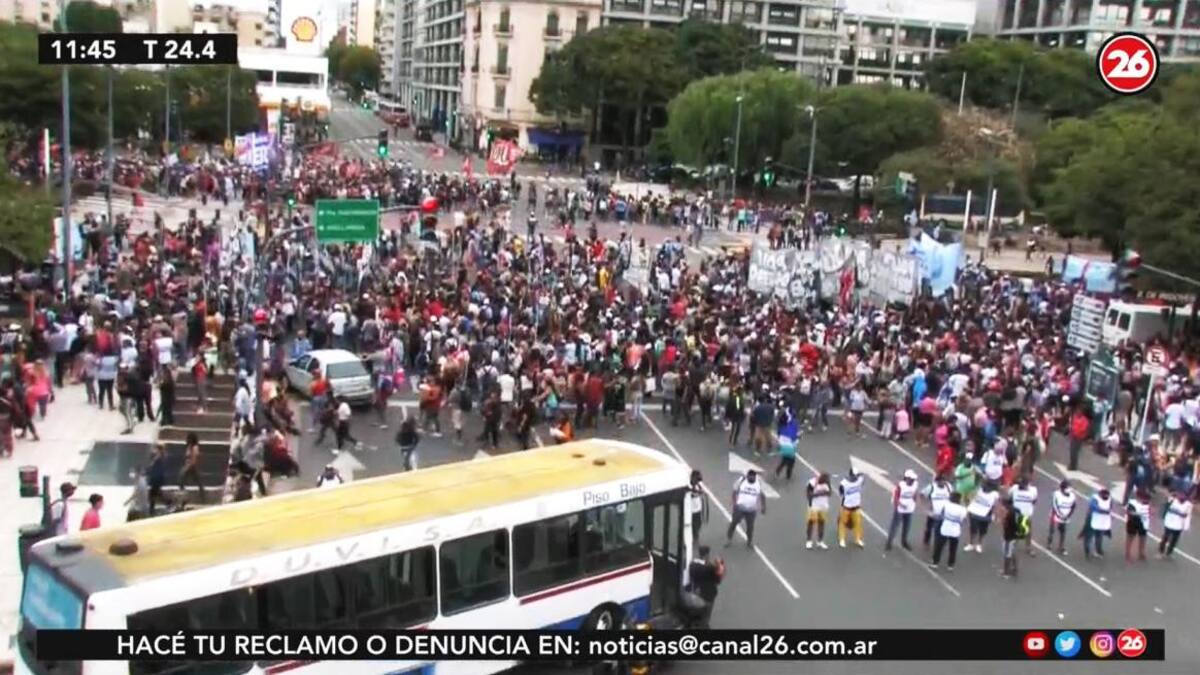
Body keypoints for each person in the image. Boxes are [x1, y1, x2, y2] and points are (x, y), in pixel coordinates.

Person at [684, 545, 724, 629]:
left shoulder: (693, 564)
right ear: (706, 555)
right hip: (708, 596)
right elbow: (718, 580)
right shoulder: (710, 568)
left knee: (695, 614)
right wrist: (718, 564)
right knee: (705, 617)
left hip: (695, 594)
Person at [726, 469, 767, 550]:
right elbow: (734, 491)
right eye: (750, 477)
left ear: (755, 477)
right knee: (734, 523)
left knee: (750, 527)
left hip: (751, 510)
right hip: (740, 507)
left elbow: (762, 495)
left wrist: (763, 506)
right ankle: (729, 539)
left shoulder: (759, 483)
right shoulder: (741, 481)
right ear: (747, 476)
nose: (751, 478)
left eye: (753, 477)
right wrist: (734, 502)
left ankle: (749, 541)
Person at [930, 492, 966, 572]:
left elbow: (941, 515)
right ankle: (950, 565)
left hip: (945, 528)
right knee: (953, 548)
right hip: (955, 530)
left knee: (939, 547)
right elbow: (963, 520)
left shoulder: (946, 505)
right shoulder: (963, 509)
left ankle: (935, 563)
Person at [885, 469, 919, 551]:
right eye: (911, 479)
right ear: (906, 478)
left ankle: (904, 541)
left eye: (913, 480)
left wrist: (915, 502)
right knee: (895, 526)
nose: (912, 481)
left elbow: (914, 494)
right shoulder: (901, 486)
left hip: (909, 508)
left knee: (907, 526)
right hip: (900, 509)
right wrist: (899, 505)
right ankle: (889, 542)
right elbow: (895, 497)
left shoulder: (915, 484)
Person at [965, 481, 999, 553]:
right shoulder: (978, 490)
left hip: (986, 514)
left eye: (987, 487)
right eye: (984, 485)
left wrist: (994, 515)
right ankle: (971, 544)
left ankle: (979, 544)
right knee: (973, 529)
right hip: (974, 512)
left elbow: (995, 506)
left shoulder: (995, 494)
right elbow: (969, 496)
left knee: (983, 531)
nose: (985, 487)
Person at [1000, 495, 1029, 579]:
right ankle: (1015, 569)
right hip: (1016, 534)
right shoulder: (1017, 510)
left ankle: (1006, 572)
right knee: (1012, 552)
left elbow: (1006, 524)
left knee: (1007, 554)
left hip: (1009, 536)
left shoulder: (1008, 512)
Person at [1081, 487, 1114, 559]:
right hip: (1092, 519)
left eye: (1107, 496)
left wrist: (1109, 515)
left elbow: (1110, 508)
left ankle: (1098, 550)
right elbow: (1094, 507)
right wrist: (1103, 510)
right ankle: (1087, 551)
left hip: (1102, 520)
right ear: (1100, 494)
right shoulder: (1094, 498)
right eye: (1104, 496)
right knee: (1089, 535)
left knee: (1100, 535)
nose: (1105, 497)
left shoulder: (1110, 499)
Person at [921, 472, 952, 549]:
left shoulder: (948, 487)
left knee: (941, 530)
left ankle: (938, 544)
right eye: (941, 481)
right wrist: (926, 508)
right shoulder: (931, 487)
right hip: (933, 513)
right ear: (937, 481)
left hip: (945, 514)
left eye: (944, 480)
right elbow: (922, 495)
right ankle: (926, 541)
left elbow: (952, 496)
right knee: (929, 528)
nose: (943, 482)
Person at [1009, 476, 1039, 556]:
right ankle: (1012, 547)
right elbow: (1009, 496)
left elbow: (1034, 501)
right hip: (1016, 513)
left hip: (1026, 515)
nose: (1020, 486)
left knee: (1027, 532)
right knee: (1017, 532)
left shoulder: (1033, 490)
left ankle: (1028, 547)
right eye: (1020, 484)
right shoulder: (1014, 488)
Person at [1159, 490, 1193, 558]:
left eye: (1183, 495)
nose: (1181, 496)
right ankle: (1161, 552)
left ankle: (1169, 553)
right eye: (1180, 495)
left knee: (1174, 540)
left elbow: (1186, 515)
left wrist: (1186, 526)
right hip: (1169, 523)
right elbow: (1167, 506)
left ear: (1186, 497)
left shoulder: (1188, 505)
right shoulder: (1172, 500)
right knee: (1165, 538)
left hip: (1178, 525)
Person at [838, 467, 865, 548]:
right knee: (843, 523)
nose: (855, 477)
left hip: (856, 505)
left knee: (858, 523)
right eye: (854, 476)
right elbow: (841, 492)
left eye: (856, 476)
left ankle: (858, 539)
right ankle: (842, 539)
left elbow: (863, 478)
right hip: (846, 506)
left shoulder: (860, 480)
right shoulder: (844, 483)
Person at [1047, 480, 1077, 555]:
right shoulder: (1056, 494)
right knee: (1052, 529)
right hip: (1056, 514)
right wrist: (1059, 515)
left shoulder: (1072, 496)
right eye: (1068, 487)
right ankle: (1049, 542)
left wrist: (1068, 516)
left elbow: (1073, 506)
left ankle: (1061, 547)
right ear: (1063, 488)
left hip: (1065, 516)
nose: (1069, 489)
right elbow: (1055, 506)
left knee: (1063, 531)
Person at [805, 472, 832, 550]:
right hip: (813, 506)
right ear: (821, 478)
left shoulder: (827, 482)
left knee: (822, 523)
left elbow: (829, 493)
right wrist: (820, 493)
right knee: (811, 522)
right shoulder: (812, 483)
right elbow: (808, 495)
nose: (826, 481)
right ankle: (809, 541)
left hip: (823, 506)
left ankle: (820, 541)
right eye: (826, 480)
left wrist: (825, 492)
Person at [178, 431, 206, 502]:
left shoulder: (195, 447)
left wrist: (189, 466)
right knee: (184, 479)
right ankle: (183, 494)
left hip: (192, 466)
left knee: (184, 478)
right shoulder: (189, 447)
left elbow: (194, 458)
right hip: (188, 465)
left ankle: (202, 496)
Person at [1125, 489, 1151, 563]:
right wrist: (1138, 514)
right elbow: (1129, 512)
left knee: (1143, 538)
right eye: (1143, 498)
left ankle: (1141, 553)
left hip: (1144, 523)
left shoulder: (1147, 503)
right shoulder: (1132, 503)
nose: (1145, 500)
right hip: (1133, 522)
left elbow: (1149, 511)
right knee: (1130, 538)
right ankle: (1128, 553)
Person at [688, 470, 708, 544]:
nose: (697, 481)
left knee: (698, 524)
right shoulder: (688, 485)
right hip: (689, 509)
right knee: (689, 525)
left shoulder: (699, 485)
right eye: (696, 479)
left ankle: (695, 535)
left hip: (697, 508)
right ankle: (689, 538)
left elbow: (702, 492)